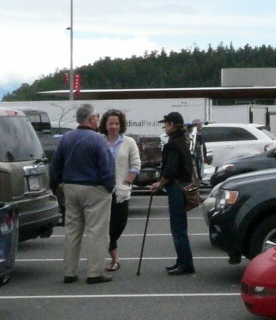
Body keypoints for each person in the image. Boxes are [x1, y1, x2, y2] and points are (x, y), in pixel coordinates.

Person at [49, 103, 115, 285]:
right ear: (92, 119)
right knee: (96, 232)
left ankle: (69, 272)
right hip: (94, 189)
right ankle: (94, 272)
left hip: (70, 187)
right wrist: (110, 187)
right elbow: (106, 168)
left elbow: (55, 166)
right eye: (97, 116)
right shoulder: (98, 139)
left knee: (72, 231)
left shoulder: (66, 138)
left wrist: (61, 183)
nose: (98, 120)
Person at [150, 111, 196, 275]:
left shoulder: (172, 145)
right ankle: (182, 260)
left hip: (176, 189)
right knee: (180, 226)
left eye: (166, 123)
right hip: (183, 186)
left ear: (172, 125)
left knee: (178, 228)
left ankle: (186, 263)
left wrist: (158, 184)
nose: (164, 126)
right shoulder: (182, 142)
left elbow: (169, 171)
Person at [99, 109, 140, 272]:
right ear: (105, 125)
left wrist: (128, 180)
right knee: (104, 227)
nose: (114, 127)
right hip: (102, 192)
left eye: (117, 123)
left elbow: (136, 164)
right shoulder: (99, 141)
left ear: (121, 124)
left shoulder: (129, 142)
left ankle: (107, 247)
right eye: (111, 124)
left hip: (121, 191)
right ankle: (114, 260)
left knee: (119, 225)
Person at [189, 119, 206, 184]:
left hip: (199, 154)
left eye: (200, 124)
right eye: (198, 124)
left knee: (200, 165)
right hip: (195, 154)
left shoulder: (201, 133)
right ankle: (197, 178)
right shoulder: (192, 134)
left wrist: (204, 155)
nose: (200, 126)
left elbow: (203, 145)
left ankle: (199, 177)